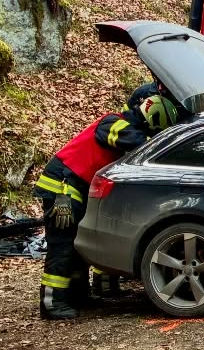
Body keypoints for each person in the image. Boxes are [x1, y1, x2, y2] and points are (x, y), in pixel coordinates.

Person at [35, 96, 178, 319]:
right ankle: (52, 302)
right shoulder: (113, 123)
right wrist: (159, 141)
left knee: (76, 245)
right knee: (63, 244)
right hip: (62, 189)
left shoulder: (123, 126)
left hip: (73, 187)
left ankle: (77, 296)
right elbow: (134, 141)